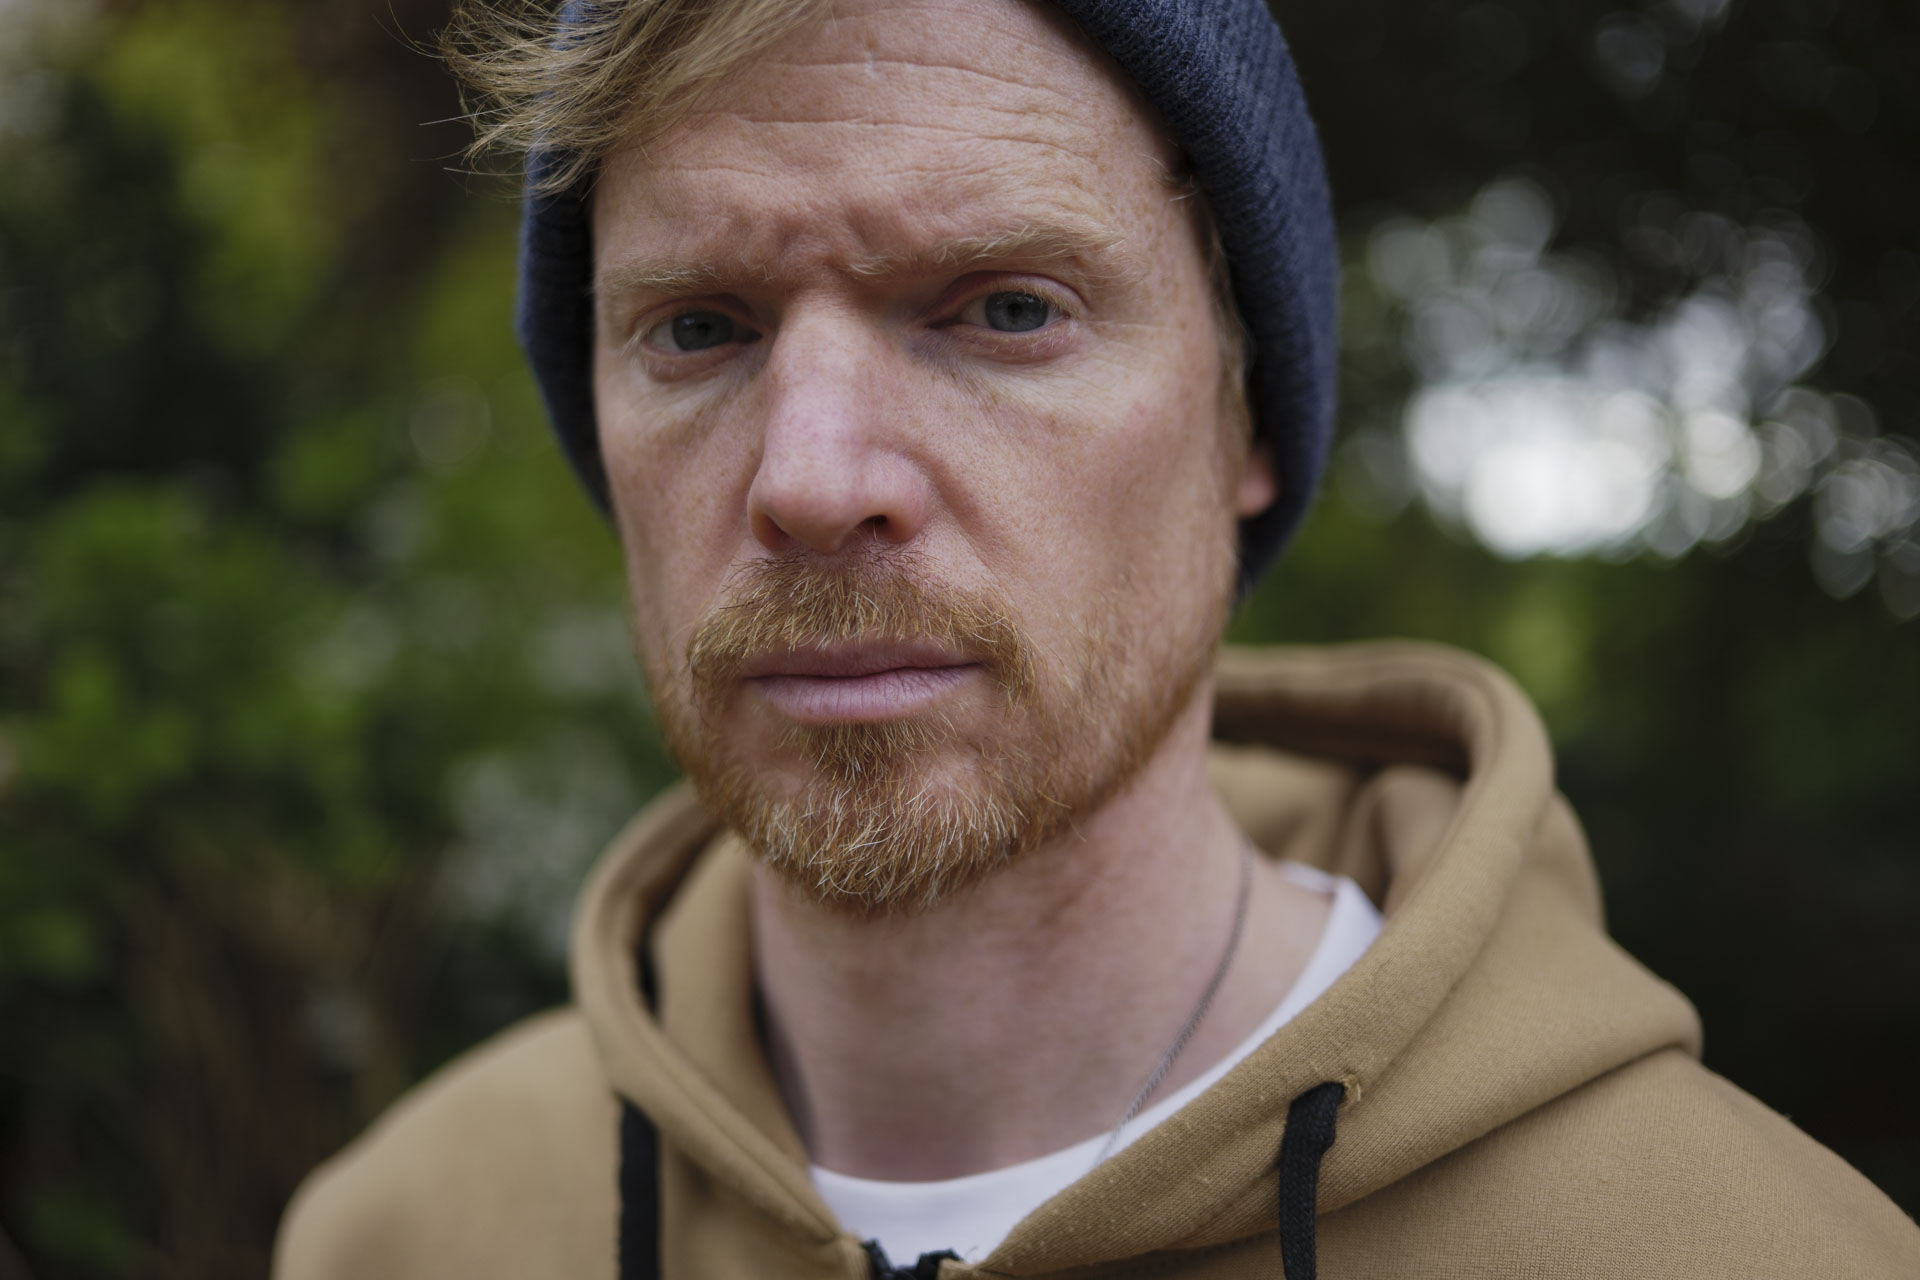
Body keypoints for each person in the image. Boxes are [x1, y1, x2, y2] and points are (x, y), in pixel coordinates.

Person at [273, 0, 1920, 1275]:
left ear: (1245, 418)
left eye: (1003, 307)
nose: (812, 477)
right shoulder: (402, 1235)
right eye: (700, 329)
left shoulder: (1743, 1246)